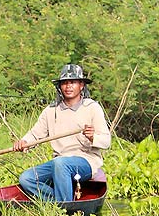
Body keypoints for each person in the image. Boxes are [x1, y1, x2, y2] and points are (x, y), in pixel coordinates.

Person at [12, 64, 111, 201]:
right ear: (60, 86)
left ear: (81, 85)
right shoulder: (51, 110)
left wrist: (93, 137)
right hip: (58, 162)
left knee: (61, 164)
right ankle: (58, 204)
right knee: (26, 178)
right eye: (64, 83)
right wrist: (24, 142)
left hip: (85, 162)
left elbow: (106, 141)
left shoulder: (92, 108)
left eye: (73, 82)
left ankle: (65, 207)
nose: (68, 86)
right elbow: (35, 134)